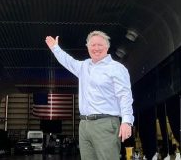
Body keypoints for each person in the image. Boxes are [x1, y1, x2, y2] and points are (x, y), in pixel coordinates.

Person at [45, 30, 134, 160]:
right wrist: (55, 48)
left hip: (105, 124)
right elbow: (68, 61)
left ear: (107, 47)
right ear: (87, 47)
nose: (96, 48)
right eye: (93, 45)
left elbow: (125, 95)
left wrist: (127, 121)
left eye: (100, 45)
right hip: (84, 125)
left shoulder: (116, 68)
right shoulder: (84, 66)